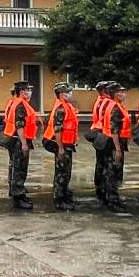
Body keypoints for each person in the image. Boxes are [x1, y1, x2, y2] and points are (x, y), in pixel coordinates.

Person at [2, 81, 38, 211]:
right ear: (22, 92)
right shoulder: (21, 105)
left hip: (15, 138)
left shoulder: (18, 103)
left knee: (15, 167)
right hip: (19, 140)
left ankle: (16, 192)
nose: (29, 92)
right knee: (19, 169)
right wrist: (24, 143)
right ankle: (18, 197)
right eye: (27, 90)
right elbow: (20, 125)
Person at [43, 82, 79, 211]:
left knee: (65, 172)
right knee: (62, 173)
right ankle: (59, 200)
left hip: (67, 144)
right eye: (67, 92)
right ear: (61, 94)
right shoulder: (61, 108)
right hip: (61, 144)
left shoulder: (66, 106)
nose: (70, 94)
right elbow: (57, 130)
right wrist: (60, 148)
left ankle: (63, 195)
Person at [101, 82, 131, 213]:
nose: (124, 94)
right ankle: (112, 201)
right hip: (114, 145)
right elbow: (114, 130)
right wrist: (118, 149)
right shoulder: (115, 108)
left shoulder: (115, 106)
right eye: (121, 91)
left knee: (111, 172)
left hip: (113, 144)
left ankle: (112, 199)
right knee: (113, 173)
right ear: (115, 94)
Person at [88, 81, 113, 202]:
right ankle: (104, 190)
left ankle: (99, 188)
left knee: (100, 163)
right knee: (106, 165)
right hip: (104, 135)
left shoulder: (99, 101)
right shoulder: (107, 102)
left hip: (98, 134)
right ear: (104, 91)